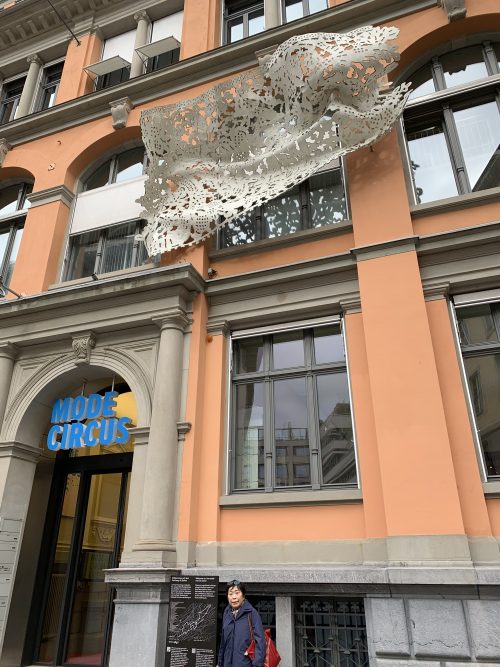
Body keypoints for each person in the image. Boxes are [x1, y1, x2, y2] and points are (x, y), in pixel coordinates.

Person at [217, 580, 266, 667]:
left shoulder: (251, 613)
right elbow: (223, 641)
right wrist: (220, 663)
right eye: (230, 594)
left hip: (245, 663)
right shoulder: (226, 613)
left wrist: (257, 665)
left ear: (243, 596)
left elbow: (260, 641)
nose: (234, 597)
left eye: (237, 593)